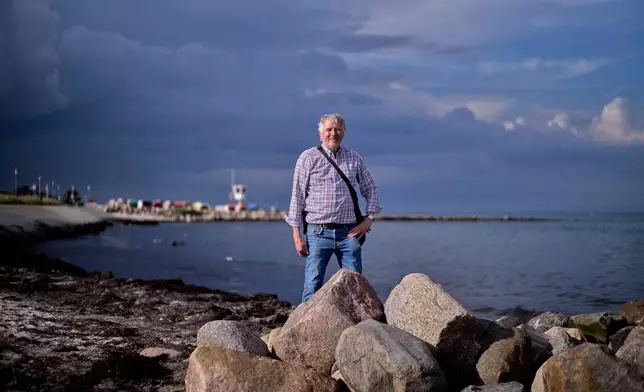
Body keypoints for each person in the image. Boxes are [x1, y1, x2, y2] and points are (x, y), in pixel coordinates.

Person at [286, 113, 382, 303]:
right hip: (317, 233)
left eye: (337, 129)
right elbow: (297, 197)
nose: (333, 133)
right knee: (312, 284)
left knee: (356, 286)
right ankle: (303, 328)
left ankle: (359, 329)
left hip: (349, 234)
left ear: (343, 133)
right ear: (321, 133)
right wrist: (297, 237)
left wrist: (368, 220)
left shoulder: (353, 157)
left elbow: (371, 189)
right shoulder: (308, 158)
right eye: (329, 129)